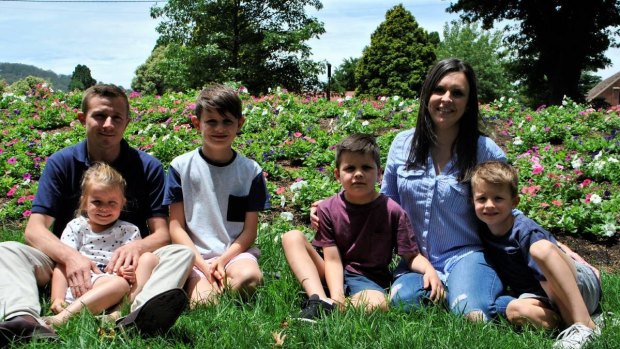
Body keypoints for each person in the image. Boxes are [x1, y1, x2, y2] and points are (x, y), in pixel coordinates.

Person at [0, 84, 194, 346]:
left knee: (180, 253)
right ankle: (23, 319)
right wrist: (71, 258)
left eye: (117, 117)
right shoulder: (61, 163)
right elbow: (34, 230)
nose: (108, 124)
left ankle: (136, 313)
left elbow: (161, 233)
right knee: (7, 250)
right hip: (63, 263)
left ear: (127, 122)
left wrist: (137, 247)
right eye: (100, 116)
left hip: (127, 269)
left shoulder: (147, 167)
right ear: (83, 119)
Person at [283, 134, 443, 322]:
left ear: (379, 173)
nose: (358, 174)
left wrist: (429, 270)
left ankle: (333, 307)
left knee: (379, 304)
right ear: (337, 175)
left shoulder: (392, 211)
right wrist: (338, 295)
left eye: (366, 167)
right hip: (330, 270)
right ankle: (318, 299)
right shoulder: (327, 208)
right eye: (350, 168)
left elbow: (410, 256)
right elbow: (332, 260)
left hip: (368, 279)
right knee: (292, 237)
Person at [471, 161, 601, 349]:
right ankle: (577, 322)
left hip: (575, 285)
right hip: (543, 296)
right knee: (514, 310)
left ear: (514, 202)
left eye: (498, 198)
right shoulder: (483, 231)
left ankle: (583, 324)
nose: (489, 205)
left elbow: (549, 280)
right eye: (482, 199)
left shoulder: (525, 231)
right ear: (472, 201)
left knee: (541, 249)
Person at [164, 84, 269, 307]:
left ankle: (222, 283)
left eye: (227, 121)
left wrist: (222, 260)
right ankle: (206, 287)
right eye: (211, 121)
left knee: (250, 279)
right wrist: (203, 265)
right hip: (193, 256)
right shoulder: (180, 167)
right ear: (197, 124)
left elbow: (249, 231)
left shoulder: (250, 171)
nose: (219, 129)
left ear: (239, 124)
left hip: (234, 254)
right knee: (204, 304)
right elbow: (176, 228)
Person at [45, 162, 159, 327]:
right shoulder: (77, 227)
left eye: (112, 203)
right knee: (117, 283)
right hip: (82, 285)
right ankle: (62, 318)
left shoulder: (129, 231)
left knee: (148, 260)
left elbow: (132, 268)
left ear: (122, 203)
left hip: (117, 288)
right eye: (97, 202)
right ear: (84, 202)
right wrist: (57, 298)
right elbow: (63, 265)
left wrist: (128, 272)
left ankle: (120, 310)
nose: (104, 208)